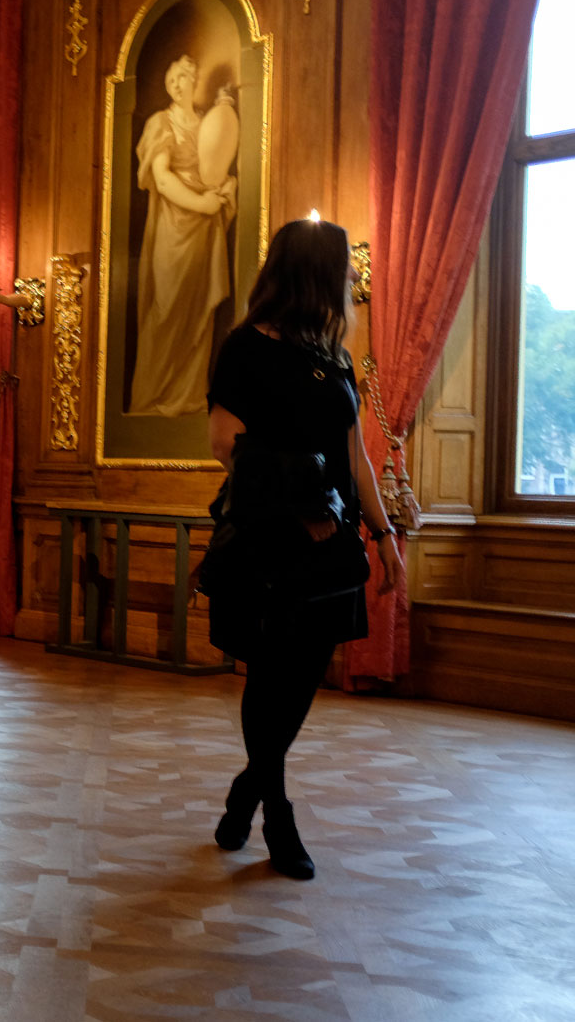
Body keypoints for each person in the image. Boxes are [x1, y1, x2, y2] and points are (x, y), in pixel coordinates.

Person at [203, 217, 404, 879]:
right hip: (269, 542)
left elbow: (355, 458)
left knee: (299, 683)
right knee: (270, 677)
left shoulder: (334, 357)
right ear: (314, 270)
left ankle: (246, 788)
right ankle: (277, 813)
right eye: (345, 264)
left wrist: (384, 533)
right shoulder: (243, 348)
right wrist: (305, 502)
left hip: (333, 547)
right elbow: (226, 442)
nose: (353, 276)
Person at [130, 55, 238, 417]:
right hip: (172, 232)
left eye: (180, 78)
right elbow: (162, 180)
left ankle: (188, 399)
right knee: (166, 312)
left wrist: (224, 189)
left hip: (204, 235)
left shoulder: (207, 122)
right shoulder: (160, 123)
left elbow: (214, 168)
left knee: (198, 316)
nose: (175, 86)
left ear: (193, 80)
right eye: (170, 81)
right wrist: (202, 204)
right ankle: (149, 400)